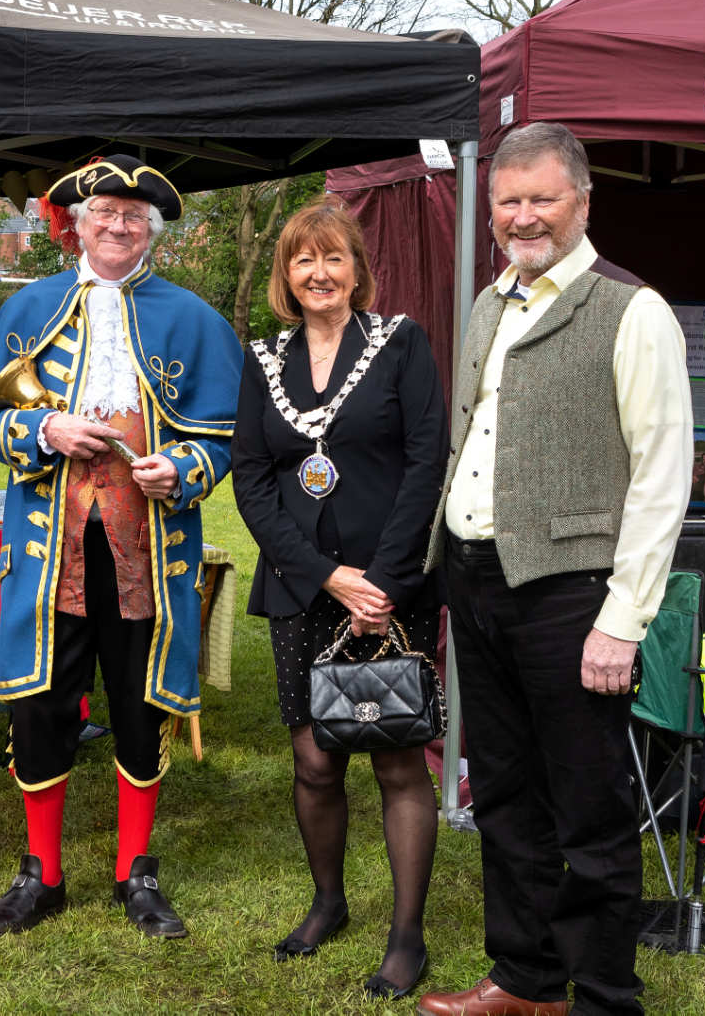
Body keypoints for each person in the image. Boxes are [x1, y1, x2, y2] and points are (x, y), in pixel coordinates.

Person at [419, 123, 692, 1016]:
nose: (524, 216)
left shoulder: (632, 309)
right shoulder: (491, 303)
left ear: (582, 201)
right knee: (502, 793)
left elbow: (661, 474)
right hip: (477, 579)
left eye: (543, 197)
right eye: (508, 200)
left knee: (589, 806)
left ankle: (607, 995)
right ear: (489, 207)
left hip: (572, 595)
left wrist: (623, 617)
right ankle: (527, 978)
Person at [0, 155, 242, 938]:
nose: (117, 226)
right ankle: (41, 875)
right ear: (77, 226)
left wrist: (182, 467)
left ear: (149, 230)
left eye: (132, 217)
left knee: (138, 704)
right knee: (43, 706)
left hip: (147, 547)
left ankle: (135, 872)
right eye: (104, 215)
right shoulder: (32, 305)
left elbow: (224, 433)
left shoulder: (192, 317)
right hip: (51, 548)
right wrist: (43, 428)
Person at [231, 199, 446, 998]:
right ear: (287, 274)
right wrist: (325, 575)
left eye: (334, 258)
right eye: (302, 260)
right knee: (315, 758)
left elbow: (429, 461)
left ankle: (406, 935)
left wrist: (379, 582)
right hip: (302, 584)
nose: (318, 273)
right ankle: (329, 903)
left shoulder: (401, 344)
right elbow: (251, 479)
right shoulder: (262, 358)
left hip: (393, 587)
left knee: (396, 754)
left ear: (358, 267)